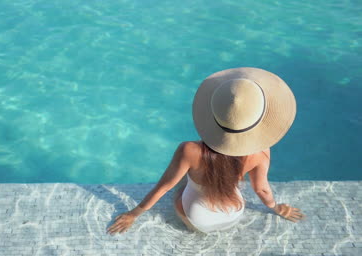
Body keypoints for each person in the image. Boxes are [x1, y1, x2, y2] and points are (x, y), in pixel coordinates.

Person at [106, 67, 305, 235]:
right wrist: (278, 208)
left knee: (181, 182)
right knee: (216, 178)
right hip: (233, 215)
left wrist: (133, 214)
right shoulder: (261, 152)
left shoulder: (189, 150)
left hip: (196, 219)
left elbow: (163, 187)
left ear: (212, 114)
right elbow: (261, 189)